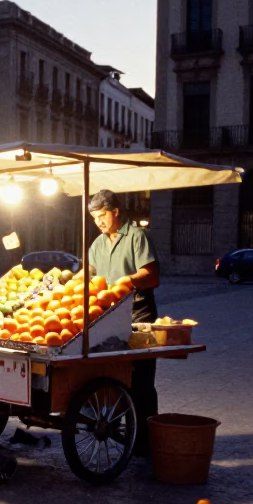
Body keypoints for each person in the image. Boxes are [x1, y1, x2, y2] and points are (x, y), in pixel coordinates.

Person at [86, 190, 161, 458]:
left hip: (138, 317)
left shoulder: (137, 237)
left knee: (141, 380)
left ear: (115, 211)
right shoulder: (97, 245)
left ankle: (145, 440)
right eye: (94, 217)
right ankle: (118, 429)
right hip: (107, 319)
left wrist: (126, 281)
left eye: (101, 215)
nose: (98, 221)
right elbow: (90, 276)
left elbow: (151, 276)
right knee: (112, 376)